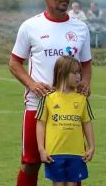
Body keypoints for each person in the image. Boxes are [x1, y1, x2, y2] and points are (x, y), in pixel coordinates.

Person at [9, 0, 92, 186]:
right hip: (38, 107)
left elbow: (86, 64)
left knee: (72, 164)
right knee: (30, 163)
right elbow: (14, 63)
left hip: (70, 110)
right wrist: (32, 84)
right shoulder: (30, 26)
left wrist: (86, 82)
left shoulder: (80, 28)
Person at [36, 56, 95, 186]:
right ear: (62, 73)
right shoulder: (48, 98)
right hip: (55, 153)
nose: (78, 76)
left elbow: (87, 123)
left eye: (79, 72)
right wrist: (41, 149)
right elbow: (40, 123)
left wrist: (91, 147)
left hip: (76, 153)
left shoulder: (82, 98)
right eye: (74, 73)